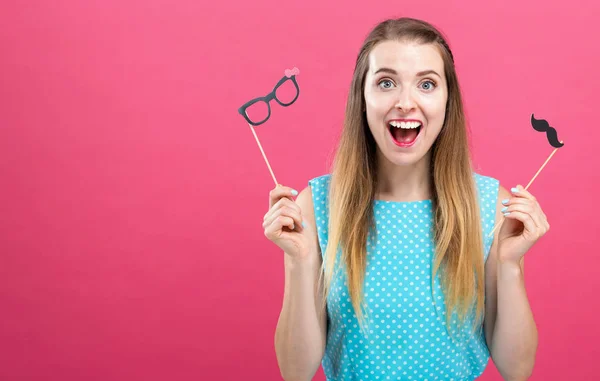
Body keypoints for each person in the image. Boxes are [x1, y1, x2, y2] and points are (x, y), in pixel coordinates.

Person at [263, 17, 548, 381]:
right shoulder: (315, 206)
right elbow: (295, 372)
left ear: (448, 101)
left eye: (427, 84)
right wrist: (298, 261)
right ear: (362, 98)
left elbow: (517, 369)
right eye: (385, 83)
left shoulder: (490, 207)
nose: (406, 103)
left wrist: (509, 266)